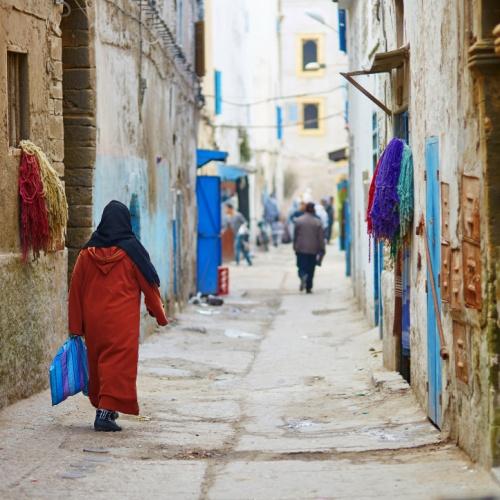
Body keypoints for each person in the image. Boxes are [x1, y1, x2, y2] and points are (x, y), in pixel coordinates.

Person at [68, 200, 168, 432]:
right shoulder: (133, 252)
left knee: (99, 363)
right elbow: (149, 286)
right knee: (117, 366)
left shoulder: (86, 253)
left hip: (94, 323)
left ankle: (107, 408)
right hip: (122, 323)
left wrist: (76, 326)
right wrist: (159, 315)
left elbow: (75, 291)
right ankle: (104, 413)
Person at [293, 202, 325, 293]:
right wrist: (322, 249)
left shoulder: (299, 221)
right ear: (314, 209)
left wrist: (294, 247)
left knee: (301, 267)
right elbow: (320, 238)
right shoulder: (317, 222)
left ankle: (302, 275)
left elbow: (295, 236)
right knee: (311, 269)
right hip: (313, 249)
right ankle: (308, 287)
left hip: (301, 248)